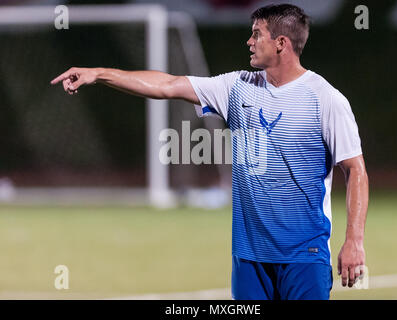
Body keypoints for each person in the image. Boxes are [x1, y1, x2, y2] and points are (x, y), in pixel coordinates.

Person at [51, 3, 369, 300]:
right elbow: (168, 85)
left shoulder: (325, 99)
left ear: (281, 43)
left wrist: (354, 241)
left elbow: (355, 170)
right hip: (249, 257)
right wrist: (99, 73)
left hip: (305, 256)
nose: (249, 41)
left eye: (257, 34)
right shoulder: (237, 86)